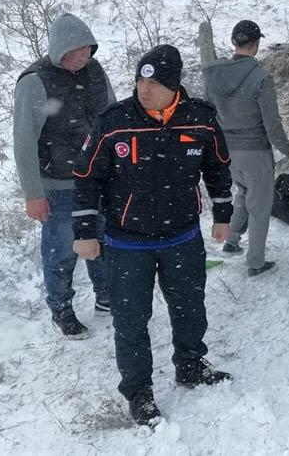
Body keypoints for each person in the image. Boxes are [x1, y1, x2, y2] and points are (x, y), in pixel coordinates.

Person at [72, 44, 234, 426]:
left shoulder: (201, 120)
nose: (143, 90)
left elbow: (219, 168)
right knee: (130, 320)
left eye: (154, 83)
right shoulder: (115, 122)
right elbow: (86, 178)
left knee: (190, 309)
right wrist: (84, 231)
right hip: (127, 242)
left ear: (173, 86)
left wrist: (223, 214)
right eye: (139, 81)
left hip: (182, 237)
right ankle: (139, 391)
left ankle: (191, 364)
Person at [13, 12, 114, 339]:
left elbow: (112, 118)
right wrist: (33, 193)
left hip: (95, 178)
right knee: (61, 251)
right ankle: (61, 309)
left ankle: (106, 296)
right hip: (57, 185)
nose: (86, 55)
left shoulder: (95, 72)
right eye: (78, 49)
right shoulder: (35, 82)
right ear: (60, 50)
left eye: (89, 48)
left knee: (100, 239)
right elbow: (24, 140)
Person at [203, 20, 289, 277]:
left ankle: (232, 241)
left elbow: (208, 114)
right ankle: (256, 262)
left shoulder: (213, 74)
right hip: (255, 151)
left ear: (235, 43)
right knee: (259, 208)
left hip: (227, 152)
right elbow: (272, 125)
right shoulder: (260, 77)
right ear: (256, 45)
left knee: (242, 194)